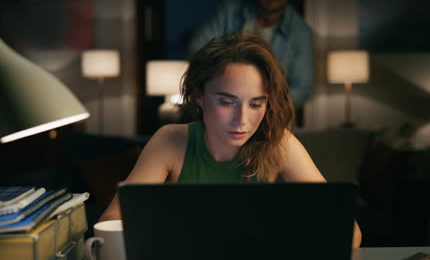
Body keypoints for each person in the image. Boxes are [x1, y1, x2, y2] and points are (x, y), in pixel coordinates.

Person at [100, 32, 361, 248]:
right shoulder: (169, 142)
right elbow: (111, 221)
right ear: (199, 96)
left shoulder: (279, 143)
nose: (242, 119)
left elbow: (350, 234)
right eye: (226, 102)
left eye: (256, 103)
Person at [188, 0, 314, 125]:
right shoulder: (231, 9)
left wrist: (264, 109)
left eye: (255, 103)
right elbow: (197, 49)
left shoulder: (300, 31)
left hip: (271, 122)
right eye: (226, 102)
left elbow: (302, 88)